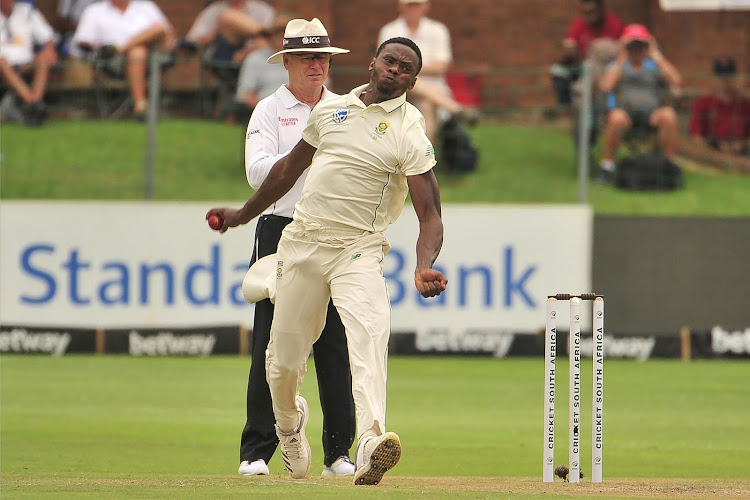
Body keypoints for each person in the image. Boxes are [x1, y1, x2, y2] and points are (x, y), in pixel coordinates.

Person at [206, 36, 448, 486]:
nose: (395, 70)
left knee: (369, 330)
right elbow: (286, 171)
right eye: (389, 61)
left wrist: (423, 264)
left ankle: (373, 439)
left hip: (358, 247)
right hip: (302, 242)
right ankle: (289, 426)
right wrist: (242, 215)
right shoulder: (331, 111)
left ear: (413, 80)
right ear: (373, 62)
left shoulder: (409, 129)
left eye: (405, 68)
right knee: (281, 362)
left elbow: (430, 212)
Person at [236, 17, 356, 478]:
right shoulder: (269, 110)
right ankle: (256, 451)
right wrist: (314, 168)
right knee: (269, 341)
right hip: (282, 230)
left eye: (322, 57)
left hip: (335, 231)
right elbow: (257, 172)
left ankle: (338, 453)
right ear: (286, 61)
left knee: (334, 342)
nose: (316, 65)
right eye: (307, 57)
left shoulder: (346, 109)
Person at [377, 0, 477, 143]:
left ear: (426, 7)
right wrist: (413, 70)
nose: (413, 9)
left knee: (426, 104)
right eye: (409, 5)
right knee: (408, 80)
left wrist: (407, 68)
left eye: (416, 5)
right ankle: (456, 109)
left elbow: (441, 67)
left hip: (434, 91)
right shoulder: (389, 31)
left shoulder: (438, 30)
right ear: (400, 7)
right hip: (398, 87)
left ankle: (423, 158)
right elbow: (385, 65)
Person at [596, 23, 682, 184]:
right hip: (625, 115)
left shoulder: (653, 65)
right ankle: (607, 166)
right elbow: (606, 86)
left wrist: (655, 54)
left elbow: (676, 80)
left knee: (668, 115)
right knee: (616, 117)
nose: (636, 50)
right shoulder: (617, 66)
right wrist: (622, 56)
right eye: (632, 45)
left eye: (640, 45)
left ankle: (669, 167)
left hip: (651, 115)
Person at [69, 0, 177, 119]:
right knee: (137, 52)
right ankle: (140, 105)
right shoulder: (94, 11)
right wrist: (102, 50)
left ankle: (140, 105)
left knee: (153, 34)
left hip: (151, 59)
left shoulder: (146, 6)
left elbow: (166, 32)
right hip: (112, 61)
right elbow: (83, 41)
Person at [550, 0, 624, 107]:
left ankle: (595, 106)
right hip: (583, 66)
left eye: (591, 12)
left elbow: (621, 53)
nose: (589, 16)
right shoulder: (579, 24)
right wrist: (569, 51)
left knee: (596, 56)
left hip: (606, 68)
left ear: (600, 10)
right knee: (558, 70)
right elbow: (571, 47)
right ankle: (568, 109)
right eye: (585, 12)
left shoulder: (614, 24)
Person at [0, 0, 59, 126]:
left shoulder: (27, 11)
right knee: (2, 62)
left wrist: (49, 50)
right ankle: (33, 104)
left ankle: (34, 103)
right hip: (2, 64)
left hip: (24, 63)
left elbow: (48, 38)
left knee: (43, 59)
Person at [232, 15, 290, 124]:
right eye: (278, 34)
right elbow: (245, 95)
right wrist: (268, 111)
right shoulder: (255, 59)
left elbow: (323, 87)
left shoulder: (303, 59)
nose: (282, 38)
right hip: (266, 115)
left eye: (286, 34)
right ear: (270, 37)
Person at [689, 57, 750, 158]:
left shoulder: (746, 104)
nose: (724, 81)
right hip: (712, 149)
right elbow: (696, 136)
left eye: (728, 77)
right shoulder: (702, 102)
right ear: (714, 78)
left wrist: (741, 145)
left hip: (741, 151)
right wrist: (714, 148)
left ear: (736, 78)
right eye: (720, 77)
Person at [183, 0, 274, 64]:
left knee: (265, 42)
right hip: (225, 55)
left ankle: (264, 34)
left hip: (253, 55)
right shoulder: (214, 10)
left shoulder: (262, 9)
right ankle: (265, 33)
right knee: (227, 17)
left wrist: (246, 52)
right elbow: (192, 41)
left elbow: (270, 42)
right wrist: (217, 32)